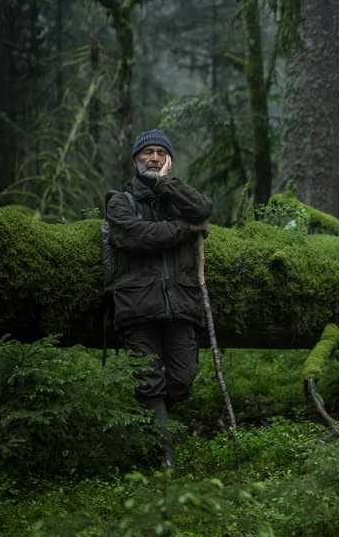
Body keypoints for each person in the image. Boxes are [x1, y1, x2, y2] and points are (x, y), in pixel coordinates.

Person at [106, 129, 212, 469]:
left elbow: (203, 209)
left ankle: (151, 425)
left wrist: (167, 184)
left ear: (169, 161)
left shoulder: (177, 198)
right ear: (135, 159)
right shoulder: (121, 202)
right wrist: (185, 229)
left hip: (181, 305)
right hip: (137, 307)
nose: (154, 158)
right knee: (149, 383)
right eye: (148, 152)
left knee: (182, 380)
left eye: (161, 153)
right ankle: (165, 458)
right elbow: (138, 237)